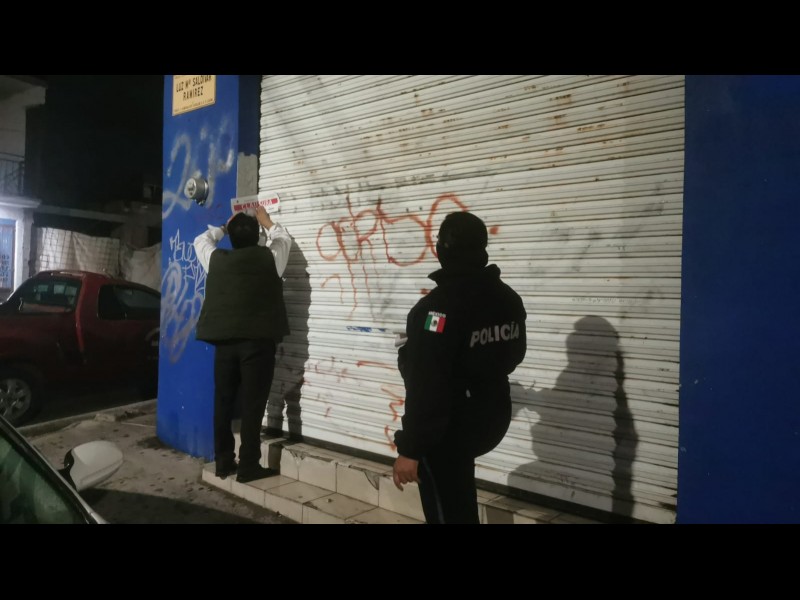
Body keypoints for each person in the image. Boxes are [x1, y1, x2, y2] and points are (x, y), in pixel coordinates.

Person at [392, 211, 527, 523]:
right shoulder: (507, 298)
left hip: (447, 428)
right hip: (491, 416)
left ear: (442, 248)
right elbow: (514, 354)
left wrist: (410, 449)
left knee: (447, 510)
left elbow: (426, 383)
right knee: (460, 497)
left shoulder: (436, 309)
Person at [194, 205, 292, 483]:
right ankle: (249, 464)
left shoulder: (216, 259)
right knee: (253, 404)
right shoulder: (270, 258)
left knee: (223, 401)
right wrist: (267, 221)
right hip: (258, 345)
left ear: (232, 238)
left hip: (225, 344)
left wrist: (224, 227)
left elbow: (200, 240)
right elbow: (283, 239)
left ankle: (223, 461)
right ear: (257, 236)